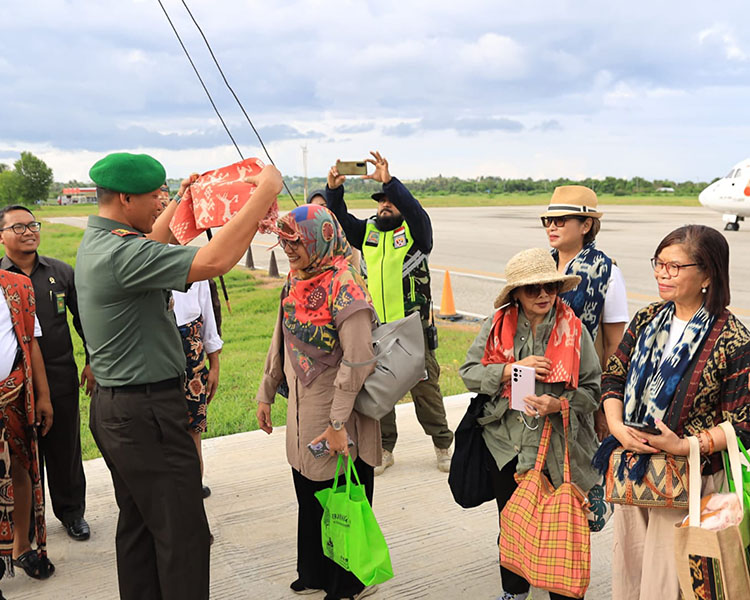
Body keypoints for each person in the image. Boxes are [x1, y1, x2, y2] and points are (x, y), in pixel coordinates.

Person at [76, 151, 282, 600]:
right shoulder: (121, 253)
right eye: (155, 195)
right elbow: (213, 261)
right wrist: (265, 191)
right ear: (126, 198)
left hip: (120, 411)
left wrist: (185, 200)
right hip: (147, 413)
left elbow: (154, 235)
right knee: (184, 536)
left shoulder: (102, 240)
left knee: (140, 528)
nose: (160, 202)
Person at [594, 225, 750, 600]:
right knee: (631, 578)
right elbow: (614, 375)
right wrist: (616, 424)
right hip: (633, 477)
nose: (663, 274)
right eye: (659, 264)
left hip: (687, 484)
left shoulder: (732, 339)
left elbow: (742, 426)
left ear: (708, 275)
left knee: (669, 586)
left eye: (675, 267)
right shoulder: (648, 318)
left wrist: (682, 445)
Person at [459, 248, 601, 600]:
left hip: (556, 446)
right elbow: (468, 373)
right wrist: (508, 370)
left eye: (549, 288)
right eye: (532, 289)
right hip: (505, 444)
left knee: (560, 527)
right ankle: (514, 591)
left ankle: (562, 592)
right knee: (511, 523)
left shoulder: (574, 329)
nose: (543, 295)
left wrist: (559, 403)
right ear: (516, 295)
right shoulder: (495, 324)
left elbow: (593, 391)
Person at [255, 204, 381, 600]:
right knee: (307, 490)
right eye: (284, 239)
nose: (288, 249)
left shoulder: (346, 286)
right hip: (301, 409)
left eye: (295, 241)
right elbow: (280, 339)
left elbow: (358, 360)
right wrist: (266, 392)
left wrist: (338, 423)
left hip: (336, 411)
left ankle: (348, 583)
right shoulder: (297, 279)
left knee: (339, 497)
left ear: (319, 238)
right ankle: (313, 570)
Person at [326, 151, 453, 474]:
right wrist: (334, 189)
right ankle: (384, 448)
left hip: (414, 332)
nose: (384, 205)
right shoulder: (367, 232)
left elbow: (415, 211)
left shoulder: (416, 235)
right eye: (380, 201)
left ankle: (442, 445)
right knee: (380, 391)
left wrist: (390, 182)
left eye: (390, 201)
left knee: (426, 392)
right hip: (377, 331)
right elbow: (338, 217)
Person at [0, 204, 94, 542]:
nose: (28, 232)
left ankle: (72, 513)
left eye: (32, 225)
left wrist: (91, 360)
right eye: (18, 227)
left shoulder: (60, 272)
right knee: (22, 456)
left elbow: (85, 320)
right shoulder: (1, 280)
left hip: (59, 376)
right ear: (1, 236)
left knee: (65, 448)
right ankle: (28, 524)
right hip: (12, 386)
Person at [540, 185, 628, 438]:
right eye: (547, 220)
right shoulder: (541, 266)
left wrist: (605, 406)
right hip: (540, 381)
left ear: (586, 225)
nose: (551, 227)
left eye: (560, 220)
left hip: (581, 387)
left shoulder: (607, 272)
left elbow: (614, 344)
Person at [0, 268, 54, 582]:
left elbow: (30, 343)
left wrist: (43, 395)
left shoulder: (17, 286)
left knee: (20, 468)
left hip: (15, 395)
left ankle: (21, 546)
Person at [172, 279, 223, 498]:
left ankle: (193, 482)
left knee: (194, 426)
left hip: (192, 356)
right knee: (162, 427)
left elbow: (208, 317)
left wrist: (215, 365)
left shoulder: (195, 265)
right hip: (158, 353)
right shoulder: (144, 258)